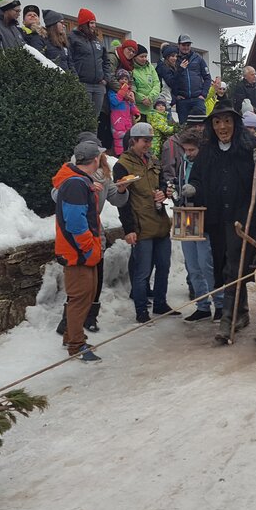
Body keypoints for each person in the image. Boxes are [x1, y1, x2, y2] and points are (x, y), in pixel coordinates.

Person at [187, 100, 256, 343]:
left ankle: (227, 319)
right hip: (218, 220)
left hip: (242, 221)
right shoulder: (207, 152)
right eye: (217, 122)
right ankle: (242, 313)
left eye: (227, 121)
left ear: (235, 124)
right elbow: (197, 178)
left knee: (234, 267)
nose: (222, 126)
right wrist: (192, 189)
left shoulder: (248, 148)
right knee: (224, 266)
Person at [53, 132, 129, 337]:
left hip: (96, 232)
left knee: (95, 280)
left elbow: (115, 198)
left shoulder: (102, 173)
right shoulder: (72, 175)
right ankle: (70, 329)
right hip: (80, 240)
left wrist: (121, 190)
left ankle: (89, 319)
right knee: (79, 286)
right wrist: (85, 187)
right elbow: (60, 199)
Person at [52, 139, 107, 362]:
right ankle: (76, 345)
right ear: (95, 160)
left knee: (83, 296)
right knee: (80, 298)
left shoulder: (79, 181)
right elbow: (75, 223)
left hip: (80, 252)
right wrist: (89, 248)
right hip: (78, 254)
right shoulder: (75, 184)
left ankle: (71, 336)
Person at [114, 123, 173, 324]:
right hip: (140, 225)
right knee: (142, 271)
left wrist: (163, 191)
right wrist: (128, 229)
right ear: (134, 141)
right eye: (145, 141)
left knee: (164, 265)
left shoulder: (153, 160)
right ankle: (141, 310)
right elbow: (121, 202)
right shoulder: (122, 165)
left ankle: (160, 303)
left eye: (150, 140)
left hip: (160, 222)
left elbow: (163, 182)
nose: (148, 144)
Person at [174, 128, 223, 322]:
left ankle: (219, 303)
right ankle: (202, 305)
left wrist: (196, 192)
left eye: (192, 150)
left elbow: (215, 191)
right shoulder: (182, 165)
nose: (188, 154)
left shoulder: (210, 164)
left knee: (206, 264)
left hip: (204, 216)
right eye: (185, 150)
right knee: (192, 264)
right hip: (186, 215)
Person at [70, 8, 111, 143]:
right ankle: (81, 144)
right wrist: (75, 78)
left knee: (95, 118)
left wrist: (106, 78)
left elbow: (106, 60)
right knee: (83, 116)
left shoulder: (97, 41)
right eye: (91, 23)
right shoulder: (72, 38)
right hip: (83, 83)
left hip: (98, 85)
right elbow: (69, 59)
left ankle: (92, 145)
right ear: (83, 23)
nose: (94, 26)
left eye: (94, 23)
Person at [162, 34, 211, 124]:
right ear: (178, 45)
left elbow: (207, 78)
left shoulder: (198, 58)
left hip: (198, 99)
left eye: (188, 45)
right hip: (182, 101)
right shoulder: (174, 59)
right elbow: (170, 81)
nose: (186, 47)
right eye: (183, 45)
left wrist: (203, 94)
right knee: (184, 129)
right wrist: (176, 96)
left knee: (201, 127)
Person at [108, 68, 141, 155]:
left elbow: (131, 104)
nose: (123, 81)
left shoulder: (128, 92)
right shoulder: (113, 92)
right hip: (117, 119)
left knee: (128, 138)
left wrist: (136, 112)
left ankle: (128, 154)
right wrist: (122, 91)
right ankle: (119, 155)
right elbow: (114, 101)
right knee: (118, 137)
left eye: (126, 79)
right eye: (121, 79)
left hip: (127, 119)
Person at [131, 44, 162, 115]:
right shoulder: (131, 69)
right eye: (141, 56)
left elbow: (156, 83)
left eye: (146, 56)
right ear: (135, 57)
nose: (144, 59)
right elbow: (131, 87)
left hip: (150, 108)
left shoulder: (150, 67)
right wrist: (142, 99)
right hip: (136, 109)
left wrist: (150, 98)